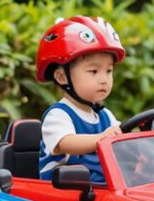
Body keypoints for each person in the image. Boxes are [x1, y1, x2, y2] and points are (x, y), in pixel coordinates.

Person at [35, 15, 125, 183]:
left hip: (100, 192)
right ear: (62, 77)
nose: (104, 79)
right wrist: (103, 138)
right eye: (93, 71)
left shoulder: (106, 116)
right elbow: (66, 143)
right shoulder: (58, 115)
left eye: (109, 71)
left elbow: (120, 141)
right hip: (63, 195)